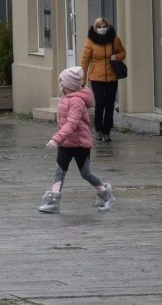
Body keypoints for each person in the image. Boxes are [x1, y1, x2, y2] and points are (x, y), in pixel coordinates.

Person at [39, 66, 115, 213]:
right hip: (66, 144)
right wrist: (60, 140)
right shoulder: (66, 98)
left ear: (67, 85)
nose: (60, 85)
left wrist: (56, 139)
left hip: (80, 144)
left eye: (61, 82)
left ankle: (105, 195)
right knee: (59, 172)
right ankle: (54, 202)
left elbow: (71, 124)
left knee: (85, 173)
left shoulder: (77, 101)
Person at [80, 17, 126, 142]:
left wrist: (116, 57)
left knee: (109, 104)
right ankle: (98, 129)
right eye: (99, 27)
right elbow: (85, 61)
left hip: (111, 76)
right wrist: (82, 79)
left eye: (104, 26)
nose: (102, 29)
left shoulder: (114, 39)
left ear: (108, 26)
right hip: (96, 77)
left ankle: (107, 131)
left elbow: (123, 53)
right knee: (100, 102)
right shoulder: (90, 41)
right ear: (95, 28)